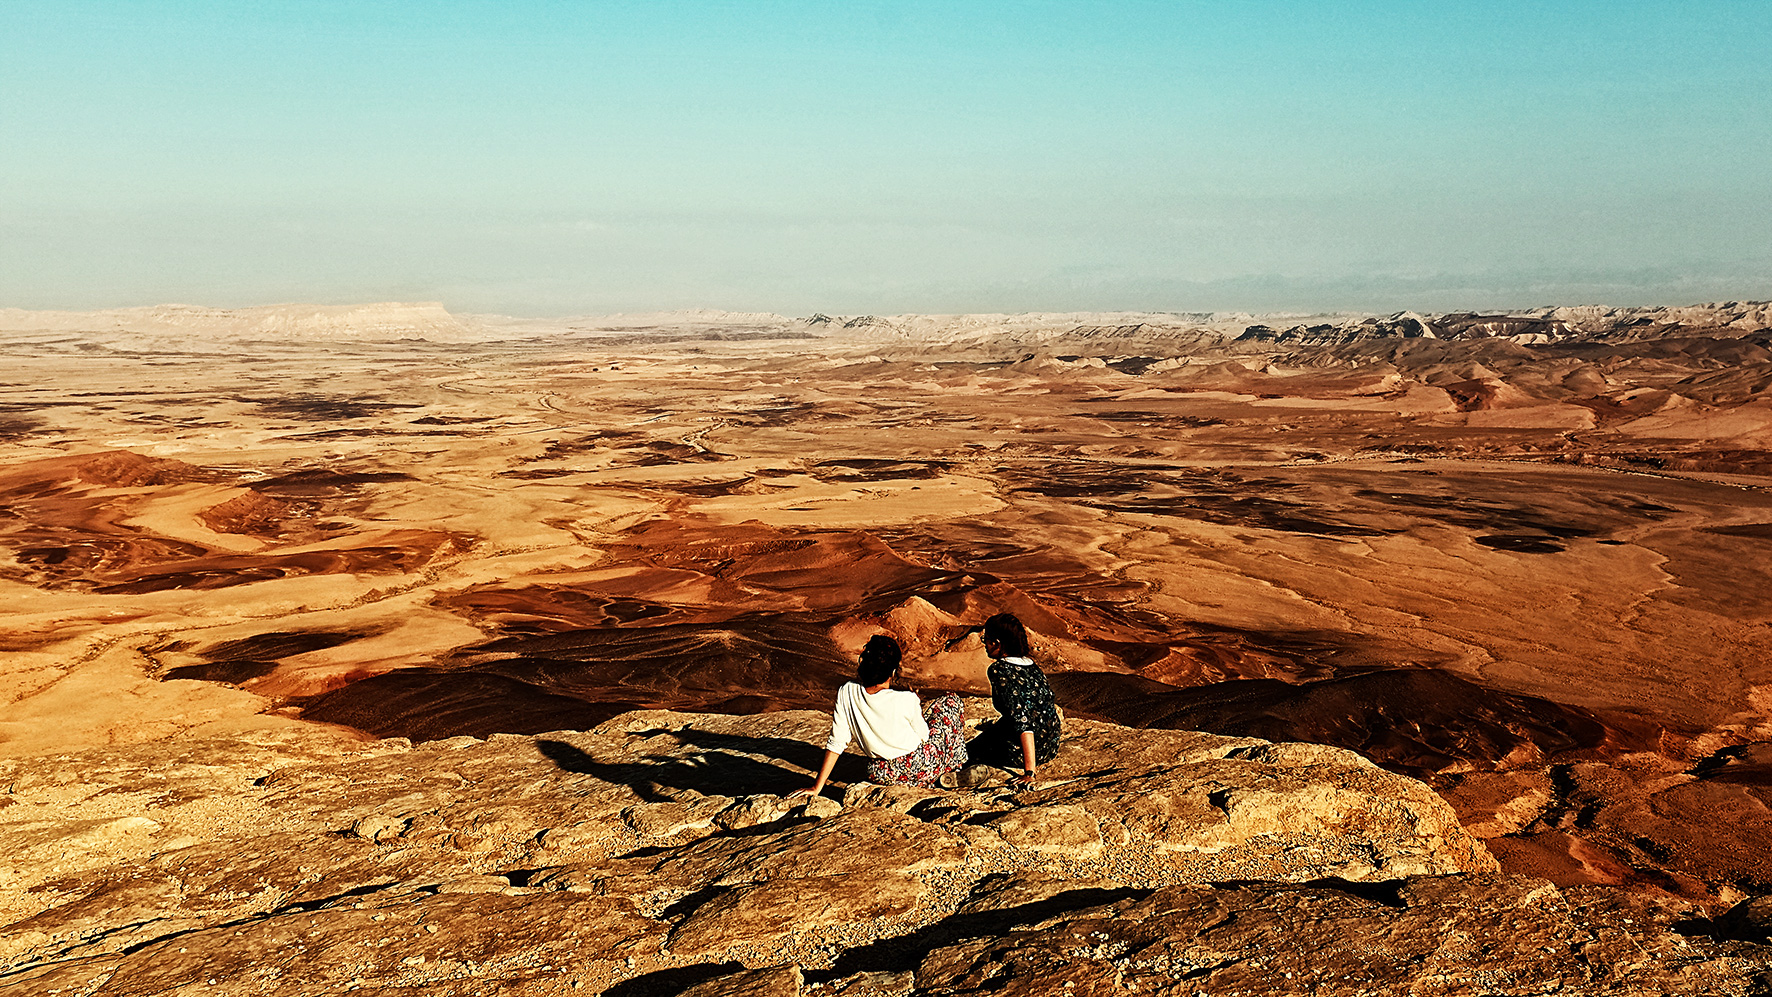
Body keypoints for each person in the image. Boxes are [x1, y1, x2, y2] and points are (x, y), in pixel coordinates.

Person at [792, 635, 967, 796]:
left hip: (881, 772)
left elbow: (837, 742)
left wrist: (817, 786)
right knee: (949, 701)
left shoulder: (847, 692)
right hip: (920, 764)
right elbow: (924, 737)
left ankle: (923, 782)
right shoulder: (906, 699)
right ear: (892, 672)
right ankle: (953, 768)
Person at [964, 612, 1060, 788]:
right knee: (986, 737)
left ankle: (970, 773)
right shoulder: (1032, 665)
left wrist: (1029, 772)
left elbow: (1022, 720)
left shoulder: (1000, 670)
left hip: (1025, 751)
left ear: (997, 643)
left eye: (986, 639)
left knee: (966, 753)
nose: (984, 644)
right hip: (1050, 747)